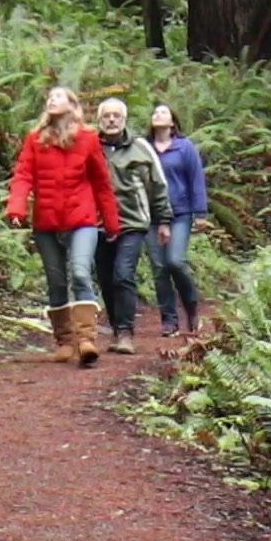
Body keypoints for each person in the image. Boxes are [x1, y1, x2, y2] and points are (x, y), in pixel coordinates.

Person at [5, 86, 118, 367]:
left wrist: (112, 222)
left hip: (82, 219)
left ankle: (86, 340)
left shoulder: (88, 139)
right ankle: (65, 341)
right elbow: (23, 176)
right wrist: (16, 207)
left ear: (72, 105)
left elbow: (102, 183)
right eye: (49, 98)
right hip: (47, 221)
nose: (51, 100)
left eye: (58, 96)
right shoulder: (35, 139)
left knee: (80, 272)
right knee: (56, 282)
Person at [93, 99, 167, 356]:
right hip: (98, 224)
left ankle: (126, 332)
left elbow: (158, 185)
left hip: (132, 223)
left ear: (124, 119)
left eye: (116, 116)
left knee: (123, 274)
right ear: (99, 120)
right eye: (107, 116)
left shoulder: (141, 148)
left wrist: (164, 220)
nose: (111, 120)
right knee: (105, 278)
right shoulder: (90, 147)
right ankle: (116, 328)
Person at [146, 104, 210, 343]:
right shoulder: (145, 148)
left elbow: (196, 180)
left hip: (180, 213)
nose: (158, 115)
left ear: (173, 121)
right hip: (151, 216)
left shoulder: (185, 148)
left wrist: (200, 213)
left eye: (163, 112)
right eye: (155, 113)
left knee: (175, 261)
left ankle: (191, 308)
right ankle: (169, 320)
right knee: (159, 268)